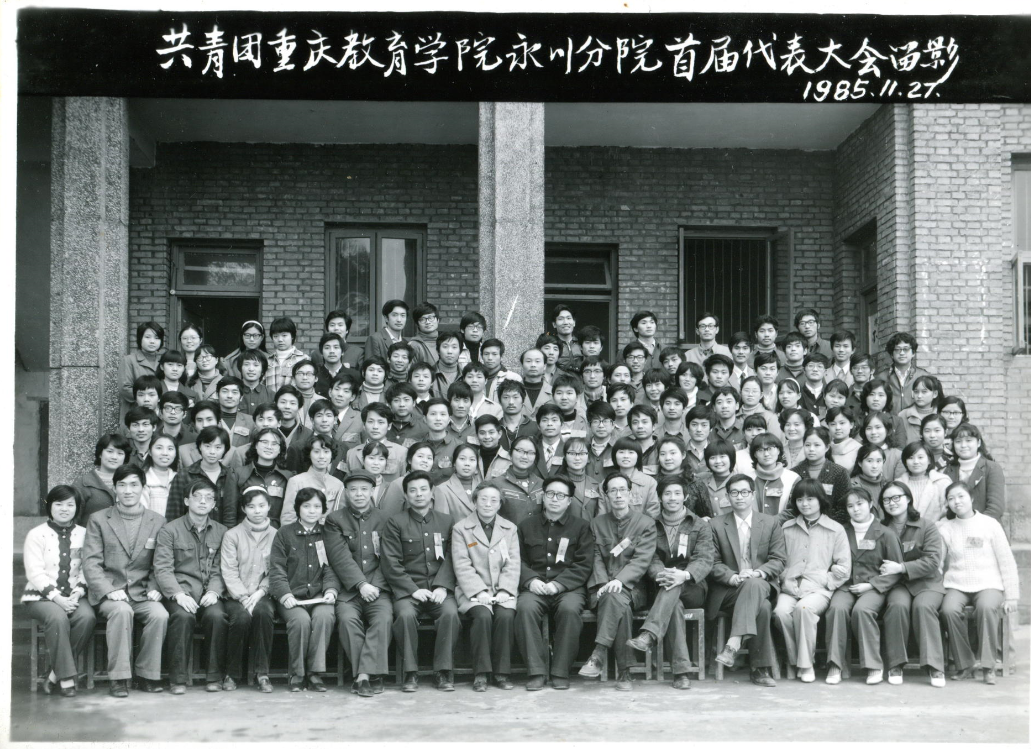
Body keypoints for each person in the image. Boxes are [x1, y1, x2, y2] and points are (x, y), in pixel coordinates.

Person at [82, 464, 169, 698]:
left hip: (141, 593)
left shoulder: (158, 521)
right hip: (111, 593)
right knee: (121, 611)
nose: (128, 490)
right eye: (122, 485)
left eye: (134, 485)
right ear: (114, 488)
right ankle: (119, 678)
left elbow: (160, 563)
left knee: (160, 615)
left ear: (143, 488)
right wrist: (108, 590)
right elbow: (91, 563)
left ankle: (146, 675)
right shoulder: (99, 519)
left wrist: (155, 587)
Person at [626, 475, 715, 689]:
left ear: (685, 497)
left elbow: (704, 558)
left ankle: (649, 634)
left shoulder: (700, 525)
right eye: (667, 493)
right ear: (660, 498)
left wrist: (683, 575)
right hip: (662, 584)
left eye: (677, 493)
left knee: (673, 589)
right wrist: (662, 574)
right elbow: (649, 556)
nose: (672, 498)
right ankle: (681, 673)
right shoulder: (651, 524)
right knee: (673, 604)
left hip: (692, 585)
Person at [381, 471, 461, 692]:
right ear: (406, 495)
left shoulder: (446, 521)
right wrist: (412, 590)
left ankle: (443, 671)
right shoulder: (395, 522)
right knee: (405, 615)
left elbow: (453, 557)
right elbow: (390, 562)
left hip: (439, 588)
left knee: (450, 614)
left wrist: (443, 586)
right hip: (408, 591)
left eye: (423, 489)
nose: (419, 494)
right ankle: (410, 672)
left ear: (432, 492)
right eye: (413, 490)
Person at [578, 472, 657, 690]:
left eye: (623, 490)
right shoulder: (596, 524)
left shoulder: (645, 523)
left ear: (631, 494)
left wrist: (620, 580)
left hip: (633, 589)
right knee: (617, 604)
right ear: (606, 496)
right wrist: (604, 583)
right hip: (601, 587)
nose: (618, 495)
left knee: (616, 598)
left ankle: (598, 653)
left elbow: (642, 559)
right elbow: (595, 557)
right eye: (613, 490)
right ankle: (625, 672)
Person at [707, 473, 787, 688]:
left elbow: (779, 559)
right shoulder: (715, 525)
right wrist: (732, 577)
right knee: (762, 608)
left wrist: (758, 573)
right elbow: (712, 562)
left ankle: (733, 643)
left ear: (753, 495)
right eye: (734, 492)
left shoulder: (770, 523)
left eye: (744, 492)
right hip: (729, 590)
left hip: (760, 583)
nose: (739, 497)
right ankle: (760, 669)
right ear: (727, 496)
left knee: (754, 584)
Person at [515, 476, 594, 690]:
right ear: (543, 497)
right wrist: (530, 580)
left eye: (561, 495)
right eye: (550, 494)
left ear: (569, 501)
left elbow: (584, 564)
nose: (554, 499)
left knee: (569, 610)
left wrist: (559, 584)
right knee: (524, 608)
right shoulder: (526, 526)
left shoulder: (581, 527)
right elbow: (517, 559)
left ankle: (560, 671)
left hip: (568, 588)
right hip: (535, 587)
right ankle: (536, 671)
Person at [938, 481, 1019, 686]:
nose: (957, 502)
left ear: (971, 498)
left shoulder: (990, 524)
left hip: (989, 583)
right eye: (951, 499)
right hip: (957, 584)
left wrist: (1011, 596)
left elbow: (1006, 560)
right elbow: (938, 561)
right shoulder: (946, 528)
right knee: (948, 610)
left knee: (986, 608)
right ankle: (964, 664)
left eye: (961, 496)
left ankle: (988, 666)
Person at [153, 476, 229, 694]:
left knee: (217, 617)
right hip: (181, 592)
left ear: (214, 504)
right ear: (187, 501)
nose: (203, 502)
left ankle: (214, 677)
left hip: (208, 593)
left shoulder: (222, 531)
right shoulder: (169, 530)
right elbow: (163, 568)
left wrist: (214, 591)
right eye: (197, 497)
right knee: (182, 617)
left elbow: (221, 567)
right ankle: (177, 680)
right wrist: (178, 594)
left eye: (209, 498)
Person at [823, 487, 903, 686]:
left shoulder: (886, 533)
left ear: (871, 504)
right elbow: (828, 558)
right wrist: (833, 567)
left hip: (874, 587)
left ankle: (873, 665)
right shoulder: (841, 531)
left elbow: (895, 571)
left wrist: (871, 585)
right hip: (846, 585)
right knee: (836, 609)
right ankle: (835, 664)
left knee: (862, 610)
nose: (856, 509)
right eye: (850, 506)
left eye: (860, 504)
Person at [323, 470, 394, 698]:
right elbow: (339, 557)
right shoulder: (335, 520)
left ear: (372, 491)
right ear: (346, 492)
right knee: (347, 620)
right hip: (349, 590)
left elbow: (390, 558)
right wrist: (361, 584)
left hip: (379, 589)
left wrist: (375, 586)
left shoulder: (386, 519)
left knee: (383, 619)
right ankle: (372, 673)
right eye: (353, 490)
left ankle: (362, 676)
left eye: (364, 489)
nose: (359, 494)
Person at [22, 485, 97, 698]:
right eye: (59, 504)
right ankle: (66, 679)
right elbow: (35, 573)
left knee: (87, 617)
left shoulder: (85, 534)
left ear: (77, 508)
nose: (64, 509)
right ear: (50, 506)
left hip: (74, 595)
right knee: (57, 618)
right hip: (41, 596)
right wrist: (57, 598)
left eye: (70, 505)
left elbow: (87, 568)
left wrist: (78, 592)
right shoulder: (36, 534)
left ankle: (54, 673)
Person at [773, 479, 850, 683]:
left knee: (804, 609)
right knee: (780, 613)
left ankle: (806, 665)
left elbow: (844, 567)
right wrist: (784, 579)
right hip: (790, 587)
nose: (804, 504)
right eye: (800, 499)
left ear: (820, 500)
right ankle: (795, 660)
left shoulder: (835, 529)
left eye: (810, 499)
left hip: (819, 590)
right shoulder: (787, 528)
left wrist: (825, 581)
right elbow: (778, 559)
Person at [269, 487, 340, 692]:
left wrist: (331, 590)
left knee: (325, 616)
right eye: (306, 506)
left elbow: (331, 568)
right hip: (292, 597)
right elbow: (277, 569)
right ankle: (298, 673)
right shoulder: (284, 534)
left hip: (319, 595)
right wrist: (285, 595)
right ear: (298, 508)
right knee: (300, 621)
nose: (312, 511)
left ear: (323, 510)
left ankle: (315, 673)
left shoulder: (327, 534)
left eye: (317, 506)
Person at [877, 482, 947, 688]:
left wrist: (901, 567)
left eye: (896, 497)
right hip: (897, 584)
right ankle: (895, 664)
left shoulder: (927, 526)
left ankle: (935, 666)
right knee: (897, 606)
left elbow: (933, 561)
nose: (892, 503)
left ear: (908, 499)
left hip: (927, 582)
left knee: (923, 607)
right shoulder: (879, 529)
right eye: (886, 500)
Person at [451, 483, 520, 691]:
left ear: (500, 504)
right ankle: (481, 673)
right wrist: (478, 591)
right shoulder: (461, 529)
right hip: (472, 591)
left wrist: (505, 589)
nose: (488, 504)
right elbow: (462, 564)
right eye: (483, 499)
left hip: (502, 590)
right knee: (482, 616)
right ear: (475, 501)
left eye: (493, 500)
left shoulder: (510, 528)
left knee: (505, 616)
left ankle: (501, 673)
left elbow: (513, 563)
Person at [219, 486, 278, 693]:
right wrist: (243, 597)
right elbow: (228, 570)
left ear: (269, 506)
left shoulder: (277, 535)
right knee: (241, 618)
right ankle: (232, 674)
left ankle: (262, 674)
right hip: (236, 595)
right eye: (251, 506)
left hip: (263, 594)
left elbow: (277, 570)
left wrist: (261, 592)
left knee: (263, 613)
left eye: (262, 505)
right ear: (244, 509)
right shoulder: (232, 535)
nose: (257, 511)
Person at [224, 427, 294, 528]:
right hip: (244, 533)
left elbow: (289, 514)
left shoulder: (287, 477)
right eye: (264, 442)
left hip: (274, 533)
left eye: (274, 444)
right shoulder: (237, 474)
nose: (269, 447)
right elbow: (229, 514)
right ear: (256, 445)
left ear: (280, 449)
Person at [166, 426, 232, 523]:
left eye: (218, 447)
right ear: (200, 446)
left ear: (225, 449)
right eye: (207, 446)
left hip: (224, 531)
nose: (212, 452)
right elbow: (174, 513)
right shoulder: (184, 475)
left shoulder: (231, 476)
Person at [943, 423, 1005, 520]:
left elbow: (995, 508)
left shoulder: (992, 467)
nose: (963, 445)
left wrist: (974, 526)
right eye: (958, 441)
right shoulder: (949, 470)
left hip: (985, 526)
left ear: (978, 443)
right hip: (956, 526)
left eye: (968, 440)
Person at [281, 434, 345, 525]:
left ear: (332, 455)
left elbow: (341, 519)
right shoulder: (296, 482)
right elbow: (288, 518)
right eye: (316, 451)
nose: (321, 456)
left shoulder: (338, 484)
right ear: (309, 454)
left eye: (326, 452)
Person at [793, 426, 851, 525]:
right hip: (800, 526)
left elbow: (844, 507)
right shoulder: (794, 473)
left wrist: (826, 525)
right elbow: (791, 506)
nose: (811, 449)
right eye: (807, 445)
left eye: (817, 445)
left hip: (831, 527)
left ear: (827, 447)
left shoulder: (839, 472)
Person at [73, 433, 130, 520]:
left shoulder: (131, 482)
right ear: (100, 454)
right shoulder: (82, 484)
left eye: (120, 453)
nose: (114, 457)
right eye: (110, 451)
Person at [874, 332, 930, 415]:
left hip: (916, 421)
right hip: (890, 421)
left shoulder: (924, 376)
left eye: (906, 349)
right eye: (897, 349)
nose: (902, 353)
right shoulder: (882, 377)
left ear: (913, 353)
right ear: (892, 354)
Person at [120, 321, 165, 421]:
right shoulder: (129, 360)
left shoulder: (163, 361)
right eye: (148, 337)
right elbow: (125, 388)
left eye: (157, 338)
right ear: (140, 338)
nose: (152, 341)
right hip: (135, 413)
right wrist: (148, 399)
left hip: (159, 415)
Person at [495, 436, 544, 526]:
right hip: (508, 534)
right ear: (510, 453)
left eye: (530, 453)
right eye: (520, 451)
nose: (525, 456)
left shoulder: (541, 484)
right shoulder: (496, 485)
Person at [898, 442, 951, 523]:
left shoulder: (942, 482)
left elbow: (948, 512)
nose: (916, 462)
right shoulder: (898, 484)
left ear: (929, 460)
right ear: (905, 462)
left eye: (920, 457)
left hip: (937, 529)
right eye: (911, 458)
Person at [749, 433, 800, 517]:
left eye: (770, 448)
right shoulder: (747, 479)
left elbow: (794, 510)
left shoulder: (793, 478)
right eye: (760, 450)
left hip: (783, 525)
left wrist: (773, 522)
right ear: (754, 454)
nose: (766, 454)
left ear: (779, 450)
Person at [555, 437, 604, 519]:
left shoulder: (595, 484)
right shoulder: (556, 483)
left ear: (588, 456)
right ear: (565, 457)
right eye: (572, 453)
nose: (577, 458)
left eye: (582, 453)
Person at [432, 443, 481, 520]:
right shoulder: (442, 489)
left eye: (472, 460)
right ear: (454, 462)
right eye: (462, 459)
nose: (467, 464)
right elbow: (442, 523)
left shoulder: (483, 487)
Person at [266, 317, 309, 391]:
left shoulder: (304, 359)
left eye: (284, 335)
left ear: (292, 336)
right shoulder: (267, 361)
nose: (280, 340)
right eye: (276, 336)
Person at [140, 434, 178, 518]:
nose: (165, 453)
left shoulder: (179, 478)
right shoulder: (142, 479)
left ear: (175, 453)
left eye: (170, 449)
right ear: (150, 452)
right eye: (159, 448)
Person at [898, 375, 943, 445]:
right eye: (916, 392)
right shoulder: (903, 415)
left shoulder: (941, 414)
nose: (919, 396)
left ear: (935, 394)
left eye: (924, 392)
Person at [409, 303, 441, 367]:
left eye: (431, 318)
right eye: (422, 319)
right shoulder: (414, 345)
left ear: (438, 320)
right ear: (417, 324)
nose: (427, 322)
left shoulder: (445, 341)